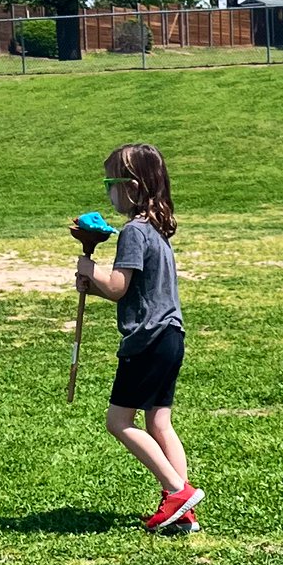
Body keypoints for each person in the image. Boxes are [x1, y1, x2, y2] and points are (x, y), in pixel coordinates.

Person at [75, 142, 203, 533]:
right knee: (159, 423)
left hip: (146, 339)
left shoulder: (133, 231)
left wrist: (89, 268)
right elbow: (136, 289)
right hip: (170, 335)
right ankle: (182, 511)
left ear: (131, 186)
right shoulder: (158, 230)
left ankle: (177, 491)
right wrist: (90, 286)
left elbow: (117, 286)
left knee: (119, 421)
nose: (108, 192)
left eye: (110, 183)